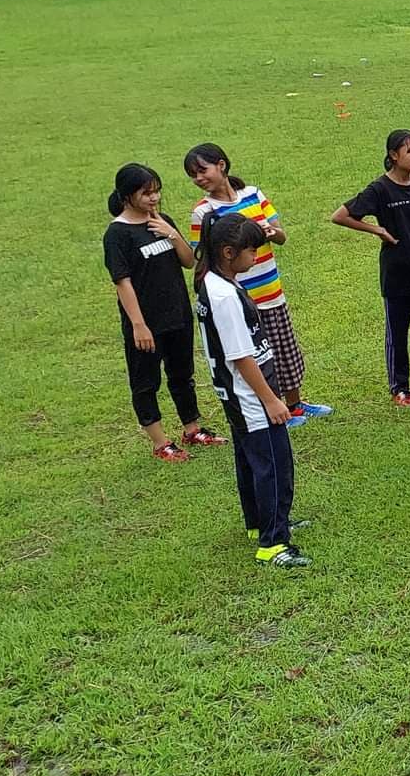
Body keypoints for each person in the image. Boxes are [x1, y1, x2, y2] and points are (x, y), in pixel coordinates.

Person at [185, 142, 331, 426]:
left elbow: (281, 236)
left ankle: (295, 405)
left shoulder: (253, 194)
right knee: (260, 358)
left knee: (286, 351)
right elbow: (200, 253)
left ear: (222, 165)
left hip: (270, 288)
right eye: (193, 175)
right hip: (242, 297)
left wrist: (270, 232)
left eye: (202, 170)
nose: (199, 179)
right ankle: (273, 410)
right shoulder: (203, 212)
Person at [195, 213, 308, 569]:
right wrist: (272, 400)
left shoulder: (214, 282)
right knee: (274, 466)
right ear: (229, 252)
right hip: (251, 396)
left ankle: (259, 523)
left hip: (239, 396)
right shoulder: (224, 295)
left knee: (250, 462)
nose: (256, 256)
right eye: (251, 250)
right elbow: (240, 356)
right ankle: (273, 544)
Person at [103, 163, 223, 462]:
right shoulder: (117, 234)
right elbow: (123, 282)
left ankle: (192, 429)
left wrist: (171, 233)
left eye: (156, 192)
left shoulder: (162, 221)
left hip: (178, 314)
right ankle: (160, 443)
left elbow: (187, 261)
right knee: (146, 381)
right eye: (146, 193)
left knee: (182, 374)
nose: (154, 198)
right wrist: (138, 325)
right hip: (146, 322)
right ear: (127, 195)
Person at [330, 129, 410, 406]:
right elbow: (340, 216)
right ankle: (399, 387)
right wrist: (376, 229)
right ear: (393, 155)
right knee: (397, 333)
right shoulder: (379, 189)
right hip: (397, 272)